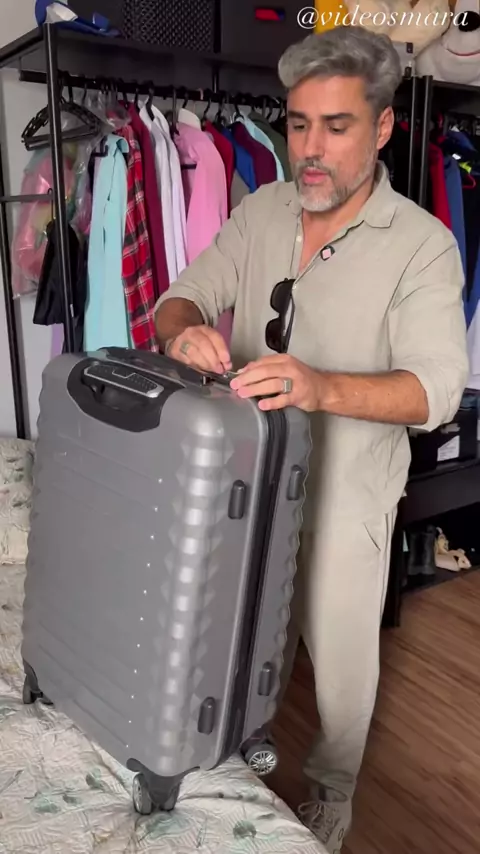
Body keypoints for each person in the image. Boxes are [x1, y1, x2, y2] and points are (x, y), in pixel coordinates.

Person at [153, 25, 468, 852]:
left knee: (340, 669)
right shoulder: (262, 208)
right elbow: (181, 296)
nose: (311, 149)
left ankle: (332, 797)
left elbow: (436, 389)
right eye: (298, 124)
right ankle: (234, 768)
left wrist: (320, 386)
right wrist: (182, 332)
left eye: (336, 126)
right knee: (232, 640)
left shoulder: (423, 245)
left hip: (346, 499)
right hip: (244, 489)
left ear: (384, 126)